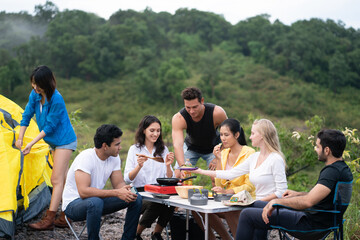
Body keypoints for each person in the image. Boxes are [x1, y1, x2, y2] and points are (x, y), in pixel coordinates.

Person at [236, 129, 353, 240]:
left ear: (327, 150)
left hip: (309, 224)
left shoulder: (332, 172)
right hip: (320, 219)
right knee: (255, 204)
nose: (315, 149)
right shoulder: (342, 168)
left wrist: (277, 201)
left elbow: (308, 201)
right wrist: (297, 194)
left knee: (246, 215)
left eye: (318, 146)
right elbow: (322, 197)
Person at [15, 65, 77, 230]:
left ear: (47, 83)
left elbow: (49, 127)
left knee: (56, 180)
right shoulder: (35, 95)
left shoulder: (56, 99)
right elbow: (26, 115)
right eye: (33, 83)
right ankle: (66, 215)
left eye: (38, 84)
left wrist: (30, 144)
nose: (34, 87)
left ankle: (49, 219)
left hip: (64, 141)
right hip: (53, 142)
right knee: (63, 180)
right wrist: (20, 138)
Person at [62, 124, 142, 240]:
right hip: (74, 205)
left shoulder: (114, 157)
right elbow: (83, 192)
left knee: (136, 198)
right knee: (95, 202)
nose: (120, 147)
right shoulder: (86, 158)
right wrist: (116, 193)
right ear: (105, 146)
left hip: (97, 201)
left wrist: (127, 190)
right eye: (117, 144)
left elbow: (119, 184)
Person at [192, 118, 287, 201]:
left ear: (262, 135)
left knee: (241, 214)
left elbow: (281, 191)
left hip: (264, 204)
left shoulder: (275, 159)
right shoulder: (254, 157)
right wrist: (199, 170)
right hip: (249, 202)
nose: (250, 137)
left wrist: (258, 202)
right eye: (221, 135)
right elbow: (230, 174)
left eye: (253, 133)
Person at [193, 118, 256, 240]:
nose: (223, 138)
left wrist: (228, 192)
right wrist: (218, 159)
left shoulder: (249, 153)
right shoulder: (224, 153)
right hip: (226, 199)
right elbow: (220, 184)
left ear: (236, 135)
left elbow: (250, 185)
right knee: (196, 208)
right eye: (221, 135)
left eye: (226, 135)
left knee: (230, 211)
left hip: (244, 200)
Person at [124, 115, 175, 240]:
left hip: (156, 190)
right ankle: (136, 233)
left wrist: (168, 166)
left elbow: (169, 177)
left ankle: (156, 234)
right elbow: (127, 179)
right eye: (152, 130)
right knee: (156, 202)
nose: (155, 134)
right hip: (138, 193)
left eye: (158, 130)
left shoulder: (163, 150)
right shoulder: (134, 149)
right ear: (144, 130)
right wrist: (139, 166)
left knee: (171, 202)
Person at [172, 87, 227, 176]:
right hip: (191, 147)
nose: (192, 111)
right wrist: (182, 166)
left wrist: (218, 158)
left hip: (214, 148)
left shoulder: (217, 113)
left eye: (195, 107)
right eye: (188, 107)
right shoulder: (179, 118)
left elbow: (229, 137)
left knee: (216, 177)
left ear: (202, 101)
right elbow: (177, 145)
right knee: (179, 174)